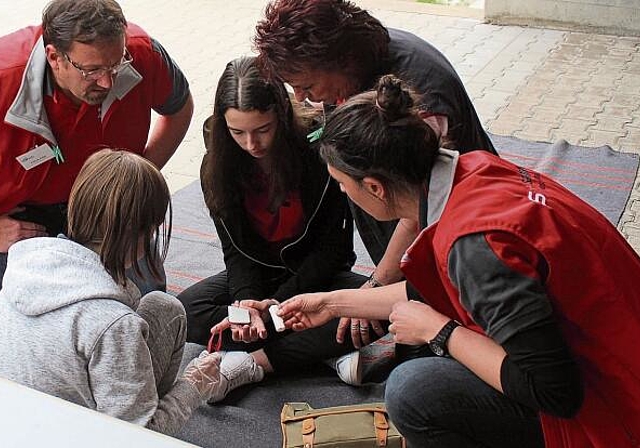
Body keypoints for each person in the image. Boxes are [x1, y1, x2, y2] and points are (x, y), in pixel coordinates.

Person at [277, 75, 640, 447]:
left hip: (614, 410)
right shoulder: (474, 169)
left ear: (374, 187)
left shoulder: (473, 244)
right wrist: (332, 303)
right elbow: (437, 286)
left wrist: (440, 331)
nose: (342, 191)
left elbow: (554, 392)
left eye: (341, 183)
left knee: (414, 389)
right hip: (618, 359)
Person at [254, 0, 496, 360]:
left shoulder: (419, 93)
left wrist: (378, 284)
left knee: (416, 367)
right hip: (418, 242)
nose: (303, 97)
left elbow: (419, 207)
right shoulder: (356, 70)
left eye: (305, 85)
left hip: (460, 243)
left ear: (338, 59)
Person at [177, 56, 369, 403]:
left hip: (318, 278)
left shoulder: (318, 151)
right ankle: (315, 348)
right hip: (260, 276)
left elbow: (332, 250)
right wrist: (247, 303)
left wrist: (277, 306)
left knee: (376, 307)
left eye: (262, 129)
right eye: (238, 133)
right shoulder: (218, 165)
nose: (252, 144)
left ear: (281, 115)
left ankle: (253, 363)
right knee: (183, 311)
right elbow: (235, 252)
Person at [0, 149, 222, 435]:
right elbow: (131, 439)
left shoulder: (20, 270)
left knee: (163, 308)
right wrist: (194, 385)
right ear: (145, 233)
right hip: (77, 435)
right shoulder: (113, 325)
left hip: (18, 428)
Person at [0, 0, 193, 291]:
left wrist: (136, 178)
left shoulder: (141, 52)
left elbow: (178, 109)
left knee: (147, 295)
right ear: (54, 57)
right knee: (32, 308)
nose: (106, 82)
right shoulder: (4, 77)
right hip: (25, 215)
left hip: (106, 198)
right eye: (91, 71)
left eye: (116, 65)